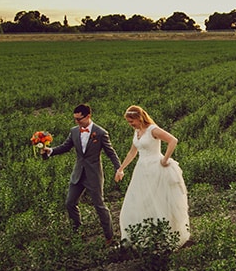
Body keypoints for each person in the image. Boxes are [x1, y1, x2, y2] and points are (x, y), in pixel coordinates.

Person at [43, 104, 121, 245]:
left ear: (88, 116)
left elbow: (111, 152)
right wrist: (51, 151)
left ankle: (109, 236)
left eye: (79, 119)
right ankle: (78, 232)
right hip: (78, 173)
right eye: (75, 119)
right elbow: (66, 147)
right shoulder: (74, 131)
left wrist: (119, 168)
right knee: (70, 203)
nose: (77, 122)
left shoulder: (101, 133)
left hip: (93, 174)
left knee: (99, 205)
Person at [114, 105, 190, 248]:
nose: (130, 124)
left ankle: (162, 235)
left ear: (139, 118)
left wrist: (165, 159)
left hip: (156, 168)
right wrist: (121, 169)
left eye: (132, 121)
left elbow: (173, 140)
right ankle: (141, 237)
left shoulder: (152, 130)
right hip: (141, 170)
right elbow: (132, 152)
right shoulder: (137, 132)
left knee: (157, 202)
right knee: (136, 202)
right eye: (129, 122)